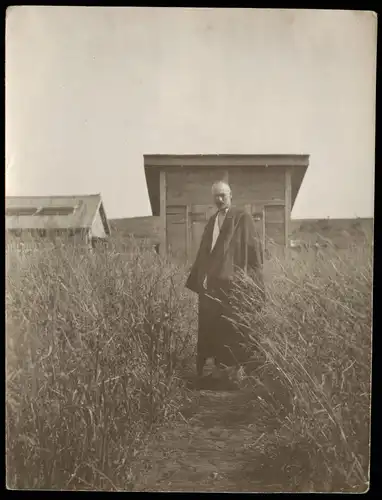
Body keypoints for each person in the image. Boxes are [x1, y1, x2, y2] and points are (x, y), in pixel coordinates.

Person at [185, 181, 265, 385]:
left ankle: (237, 372)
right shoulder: (212, 221)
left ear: (231, 195)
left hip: (234, 282)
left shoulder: (242, 218)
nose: (219, 199)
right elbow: (205, 251)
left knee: (235, 325)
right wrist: (201, 276)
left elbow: (253, 249)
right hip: (212, 284)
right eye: (216, 196)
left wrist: (251, 278)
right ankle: (219, 370)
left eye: (223, 195)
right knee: (213, 325)